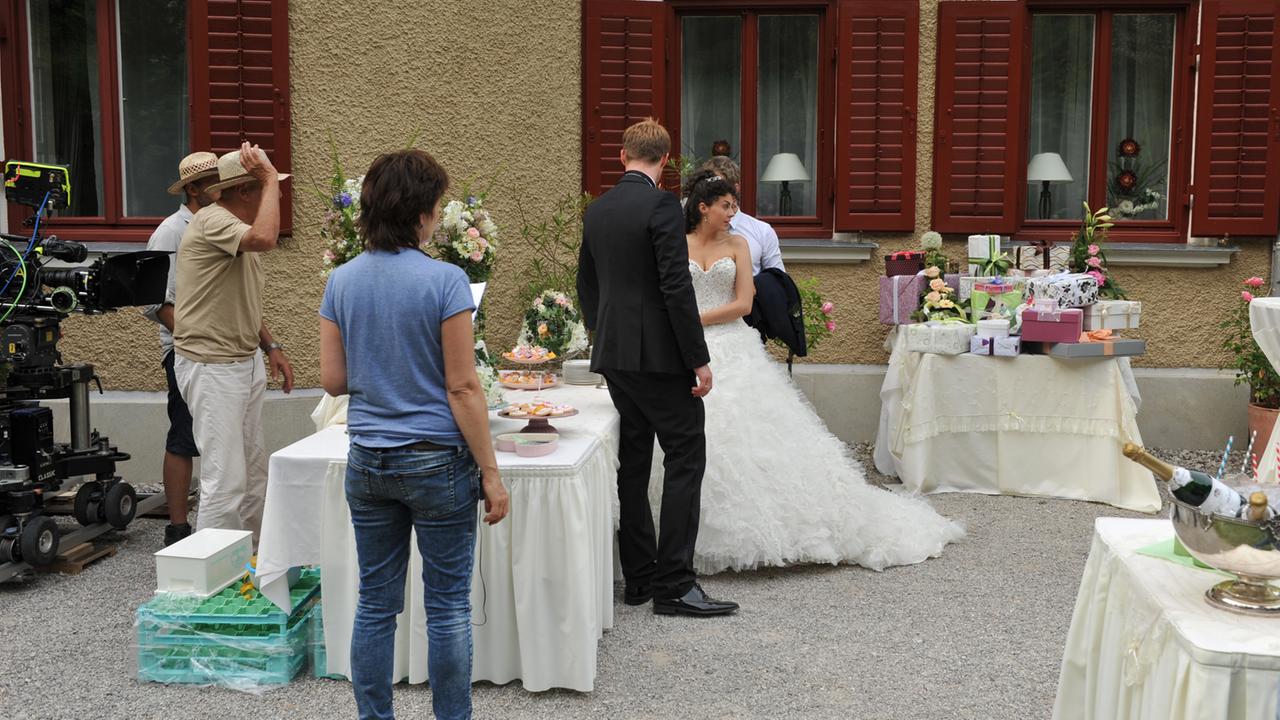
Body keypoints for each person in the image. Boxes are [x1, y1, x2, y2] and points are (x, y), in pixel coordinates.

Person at [656, 169, 964, 574]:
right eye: (727, 206)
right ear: (703, 207)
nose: (733, 213)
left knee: (754, 436)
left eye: (734, 205)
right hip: (687, 350)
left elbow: (745, 303)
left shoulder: (740, 244)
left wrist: (694, 319)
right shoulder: (677, 243)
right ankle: (678, 537)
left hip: (730, 344)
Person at [319, 149, 510, 720]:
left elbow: (332, 379)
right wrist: (492, 473)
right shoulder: (447, 280)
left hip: (369, 458)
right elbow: (463, 388)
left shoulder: (341, 280)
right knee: (448, 607)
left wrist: (383, 367)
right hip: (436, 459)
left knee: (376, 605)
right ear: (423, 213)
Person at [578, 118, 737, 618]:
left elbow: (588, 284)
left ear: (623, 156)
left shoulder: (599, 210)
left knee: (634, 459)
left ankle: (640, 579)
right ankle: (675, 584)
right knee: (686, 456)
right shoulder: (663, 205)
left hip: (616, 355)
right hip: (660, 359)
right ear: (665, 161)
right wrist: (698, 358)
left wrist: (602, 337)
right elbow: (674, 285)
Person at [172, 142, 294, 539]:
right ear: (244, 191)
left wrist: (270, 346)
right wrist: (270, 175)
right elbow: (267, 238)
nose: (272, 195)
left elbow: (240, 300)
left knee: (253, 472)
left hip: (240, 361)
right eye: (263, 188)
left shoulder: (235, 230)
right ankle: (215, 580)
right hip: (212, 365)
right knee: (225, 480)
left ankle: (252, 561)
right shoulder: (213, 220)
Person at [141, 152, 221, 546]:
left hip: (217, 351)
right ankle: (177, 529)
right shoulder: (172, 231)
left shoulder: (218, 224)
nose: (222, 191)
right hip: (186, 352)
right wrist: (190, 342)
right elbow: (154, 299)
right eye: (214, 184)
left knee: (212, 438)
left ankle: (213, 523)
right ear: (194, 188)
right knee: (184, 435)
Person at [700, 155, 784, 276]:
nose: (712, 194)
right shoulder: (693, 230)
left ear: (736, 188)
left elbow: (778, 280)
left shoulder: (761, 231)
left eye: (719, 188)